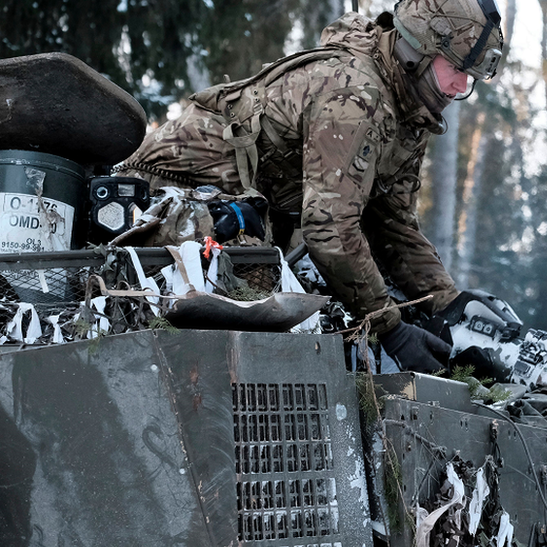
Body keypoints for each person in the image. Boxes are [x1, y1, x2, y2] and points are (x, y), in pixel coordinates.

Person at [115, 0, 505, 373]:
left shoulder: (409, 108)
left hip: (242, 212)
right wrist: (391, 329)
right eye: (456, 68)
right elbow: (330, 228)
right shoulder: (355, 96)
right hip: (171, 197)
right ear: (419, 50)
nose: (461, 86)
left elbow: (394, 224)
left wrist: (447, 303)